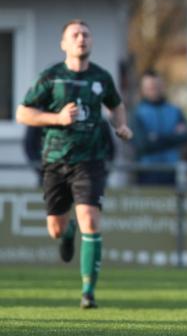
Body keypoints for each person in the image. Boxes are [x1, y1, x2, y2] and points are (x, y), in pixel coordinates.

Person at [15, 20, 132, 309]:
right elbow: (22, 113)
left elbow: (115, 104)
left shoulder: (101, 77)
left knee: (91, 220)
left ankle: (88, 292)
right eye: (75, 35)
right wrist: (57, 118)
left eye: (86, 34)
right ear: (64, 44)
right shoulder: (51, 77)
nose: (81, 39)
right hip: (55, 161)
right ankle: (67, 233)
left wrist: (121, 126)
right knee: (56, 228)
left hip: (90, 160)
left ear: (91, 42)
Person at [130, 70, 187, 186]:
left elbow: (184, 137)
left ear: (162, 87)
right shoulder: (137, 113)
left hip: (172, 172)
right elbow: (142, 144)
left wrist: (156, 138)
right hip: (146, 173)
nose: (154, 90)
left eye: (156, 86)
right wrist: (172, 139)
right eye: (150, 87)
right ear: (143, 89)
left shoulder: (175, 111)